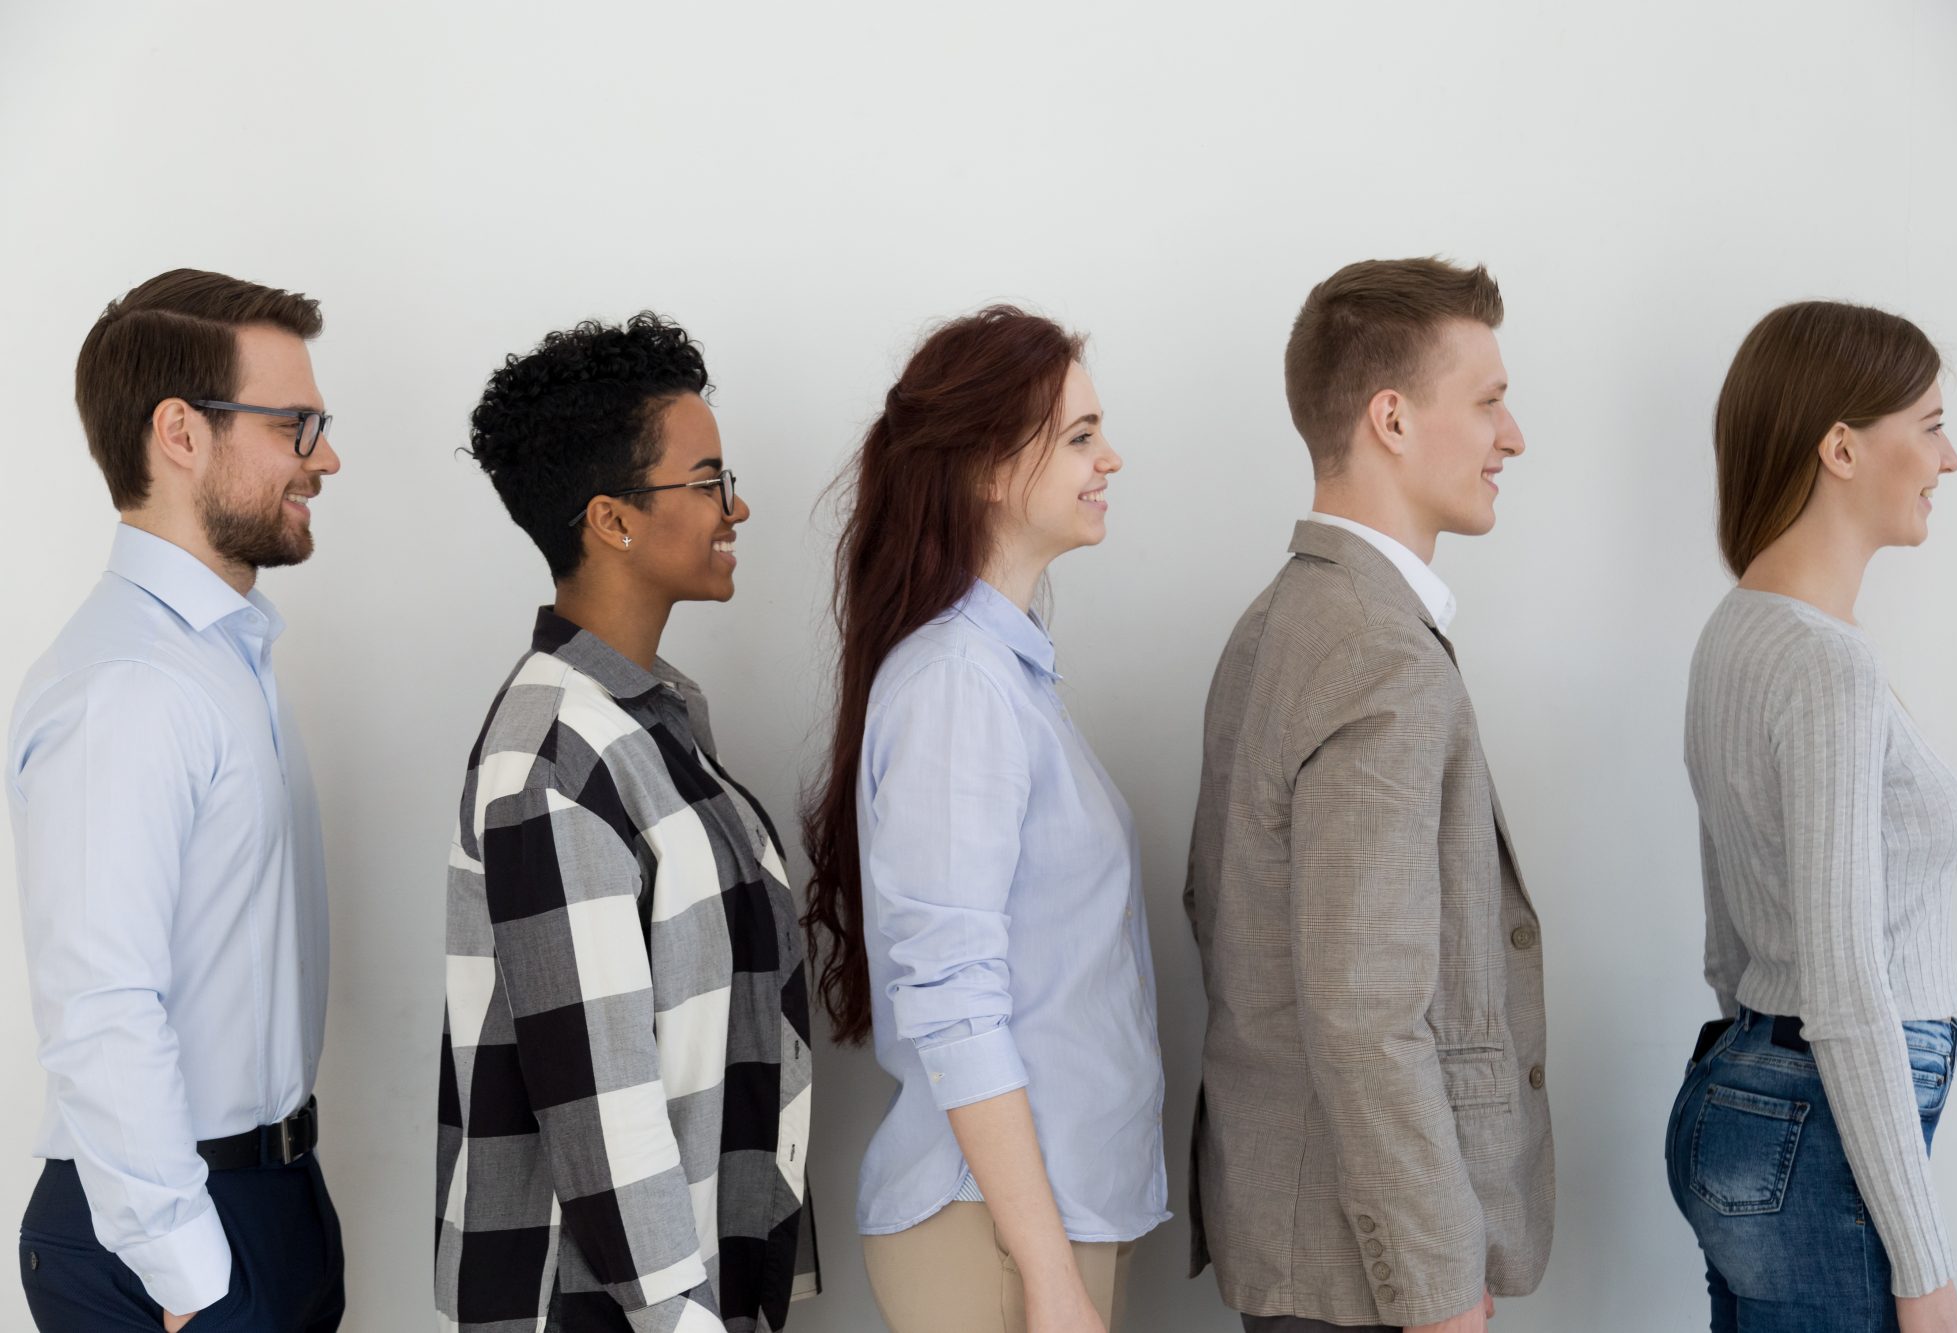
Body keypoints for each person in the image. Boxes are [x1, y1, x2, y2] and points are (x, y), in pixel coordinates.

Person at [1184, 258, 1554, 1332]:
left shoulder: (1278, 622)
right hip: (1365, 1276)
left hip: (1307, 1245)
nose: (1511, 434)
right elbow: (1361, 1009)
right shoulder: (1372, 650)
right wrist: (1438, 1291)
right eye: (1486, 401)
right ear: (1391, 418)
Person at [436, 313, 814, 1333]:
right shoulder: (553, 756)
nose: (738, 506)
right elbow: (595, 1096)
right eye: (709, 482)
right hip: (608, 1309)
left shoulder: (651, 722)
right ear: (611, 519)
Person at [800, 306, 1167, 1333]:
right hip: (999, 1237)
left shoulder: (997, 675)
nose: (1111, 458)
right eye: (1081, 435)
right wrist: (1046, 1279)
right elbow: (954, 995)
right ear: (990, 470)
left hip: (1037, 1222)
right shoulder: (958, 684)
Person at [10, 269, 345, 1331]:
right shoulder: (132, 686)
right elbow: (102, 1007)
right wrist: (189, 1276)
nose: (324, 457)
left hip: (267, 1195)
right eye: (296, 425)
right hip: (170, 1235)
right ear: (180, 433)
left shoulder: (221, 658)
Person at [1666, 301, 1957, 1333]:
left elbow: (1729, 930)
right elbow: (1844, 983)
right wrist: (1924, 1273)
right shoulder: (1824, 663)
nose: (1951, 456)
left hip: (1745, 1090)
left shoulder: (1735, 630)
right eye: (1927, 425)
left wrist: (1752, 1069)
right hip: (1819, 1119)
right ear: (1840, 447)